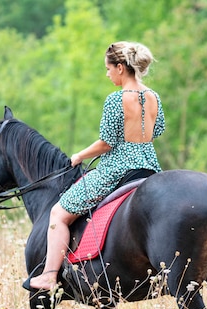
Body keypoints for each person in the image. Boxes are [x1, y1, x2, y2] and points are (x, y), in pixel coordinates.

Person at [29, 41, 165, 290]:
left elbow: (106, 143)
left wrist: (79, 156)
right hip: (150, 167)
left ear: (121, 68)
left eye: (108, 68)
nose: (107, 74)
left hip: (118, 169)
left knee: (58, 214)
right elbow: (157, 130)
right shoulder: (153, 97)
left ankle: (49, 275)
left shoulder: (116, 100)